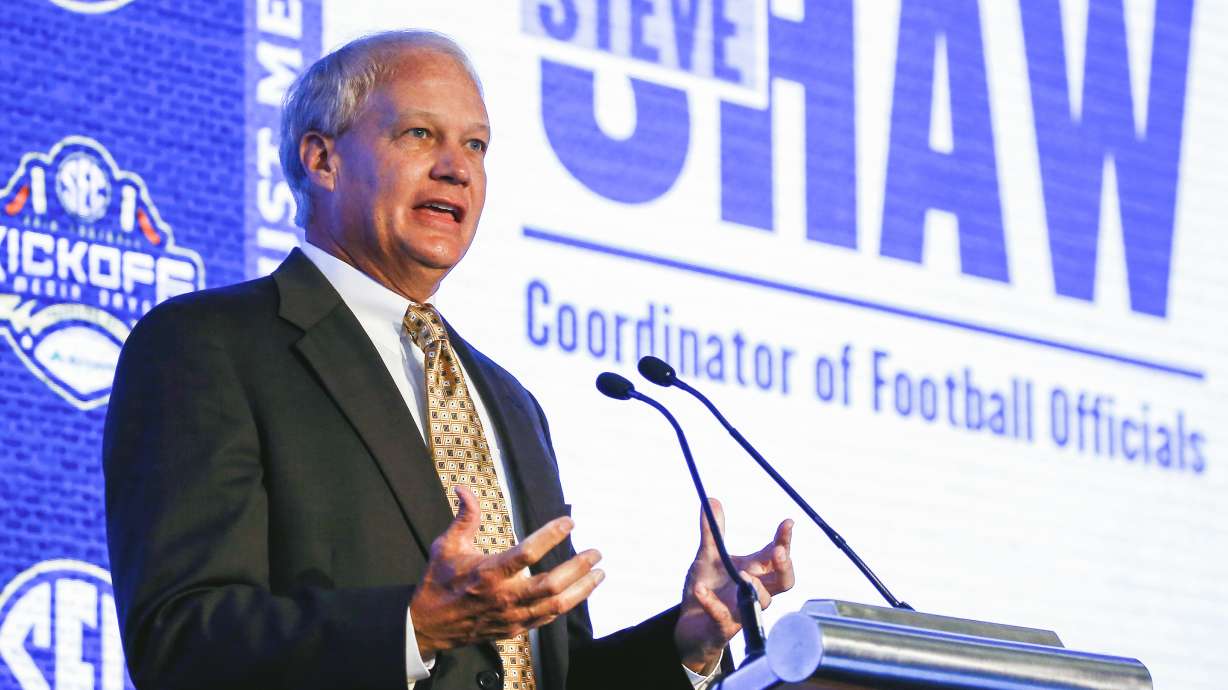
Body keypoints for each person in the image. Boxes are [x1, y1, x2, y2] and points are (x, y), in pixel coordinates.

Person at [103, 30, 795, 690]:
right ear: (321, 159)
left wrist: (689, 640)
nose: (457, 168)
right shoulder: (208, 347)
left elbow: (546, 674)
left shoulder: (507, 400)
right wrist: (413, 629)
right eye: (419, 134)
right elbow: (179, 639)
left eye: (476, 145)